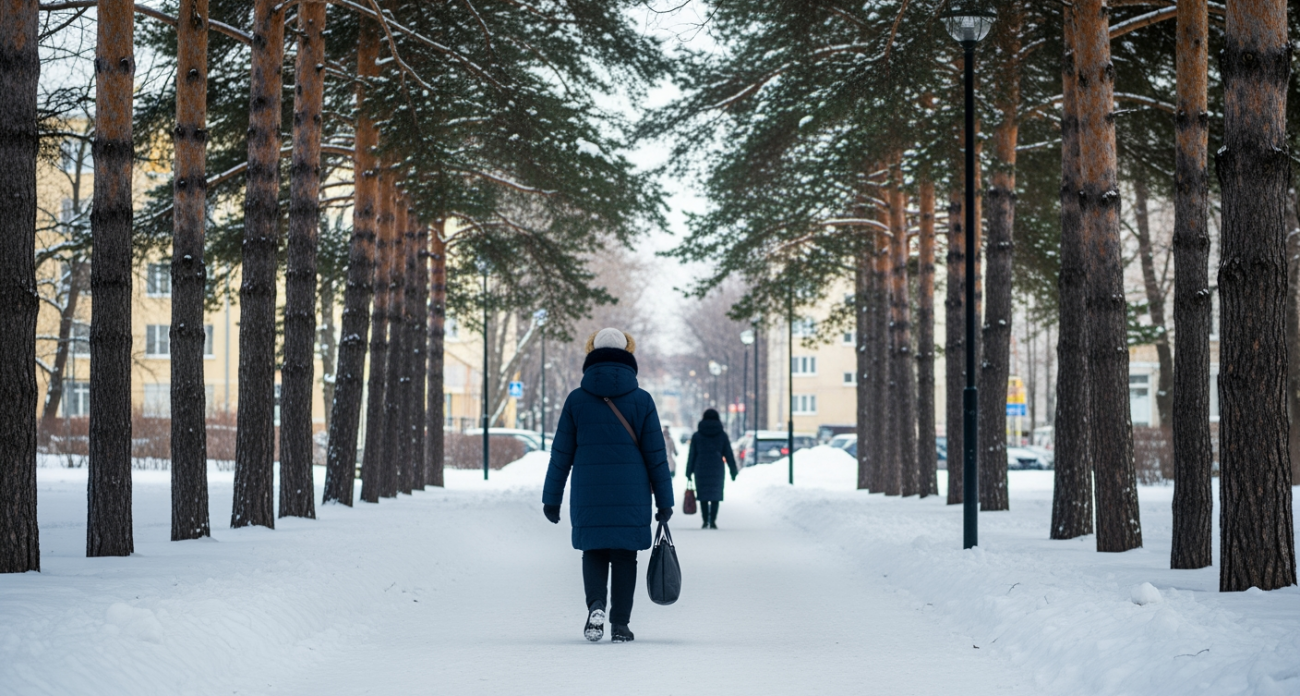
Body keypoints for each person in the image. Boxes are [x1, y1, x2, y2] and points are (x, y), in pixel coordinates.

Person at [542, 327, 674, 644]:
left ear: (591, 352)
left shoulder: (576, 400)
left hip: (588, 492)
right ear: (629, 354)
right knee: (626, 556)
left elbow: (561, 455)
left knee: (594, 551)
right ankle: (620, 625)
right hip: (632, 493)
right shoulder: (642, 400)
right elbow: (657, 456)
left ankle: (596, 605)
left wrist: (552, 498)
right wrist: (664, 501)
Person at [685, 408, 738, 530]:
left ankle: (705, 521)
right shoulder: (722, 435)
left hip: (701, 468)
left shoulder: (697, 436)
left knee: (703, 494)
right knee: (715, 494)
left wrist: (688, 472)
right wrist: (733, 471)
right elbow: (728, 454)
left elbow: (692, 455)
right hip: (717, 468)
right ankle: (713, 521)